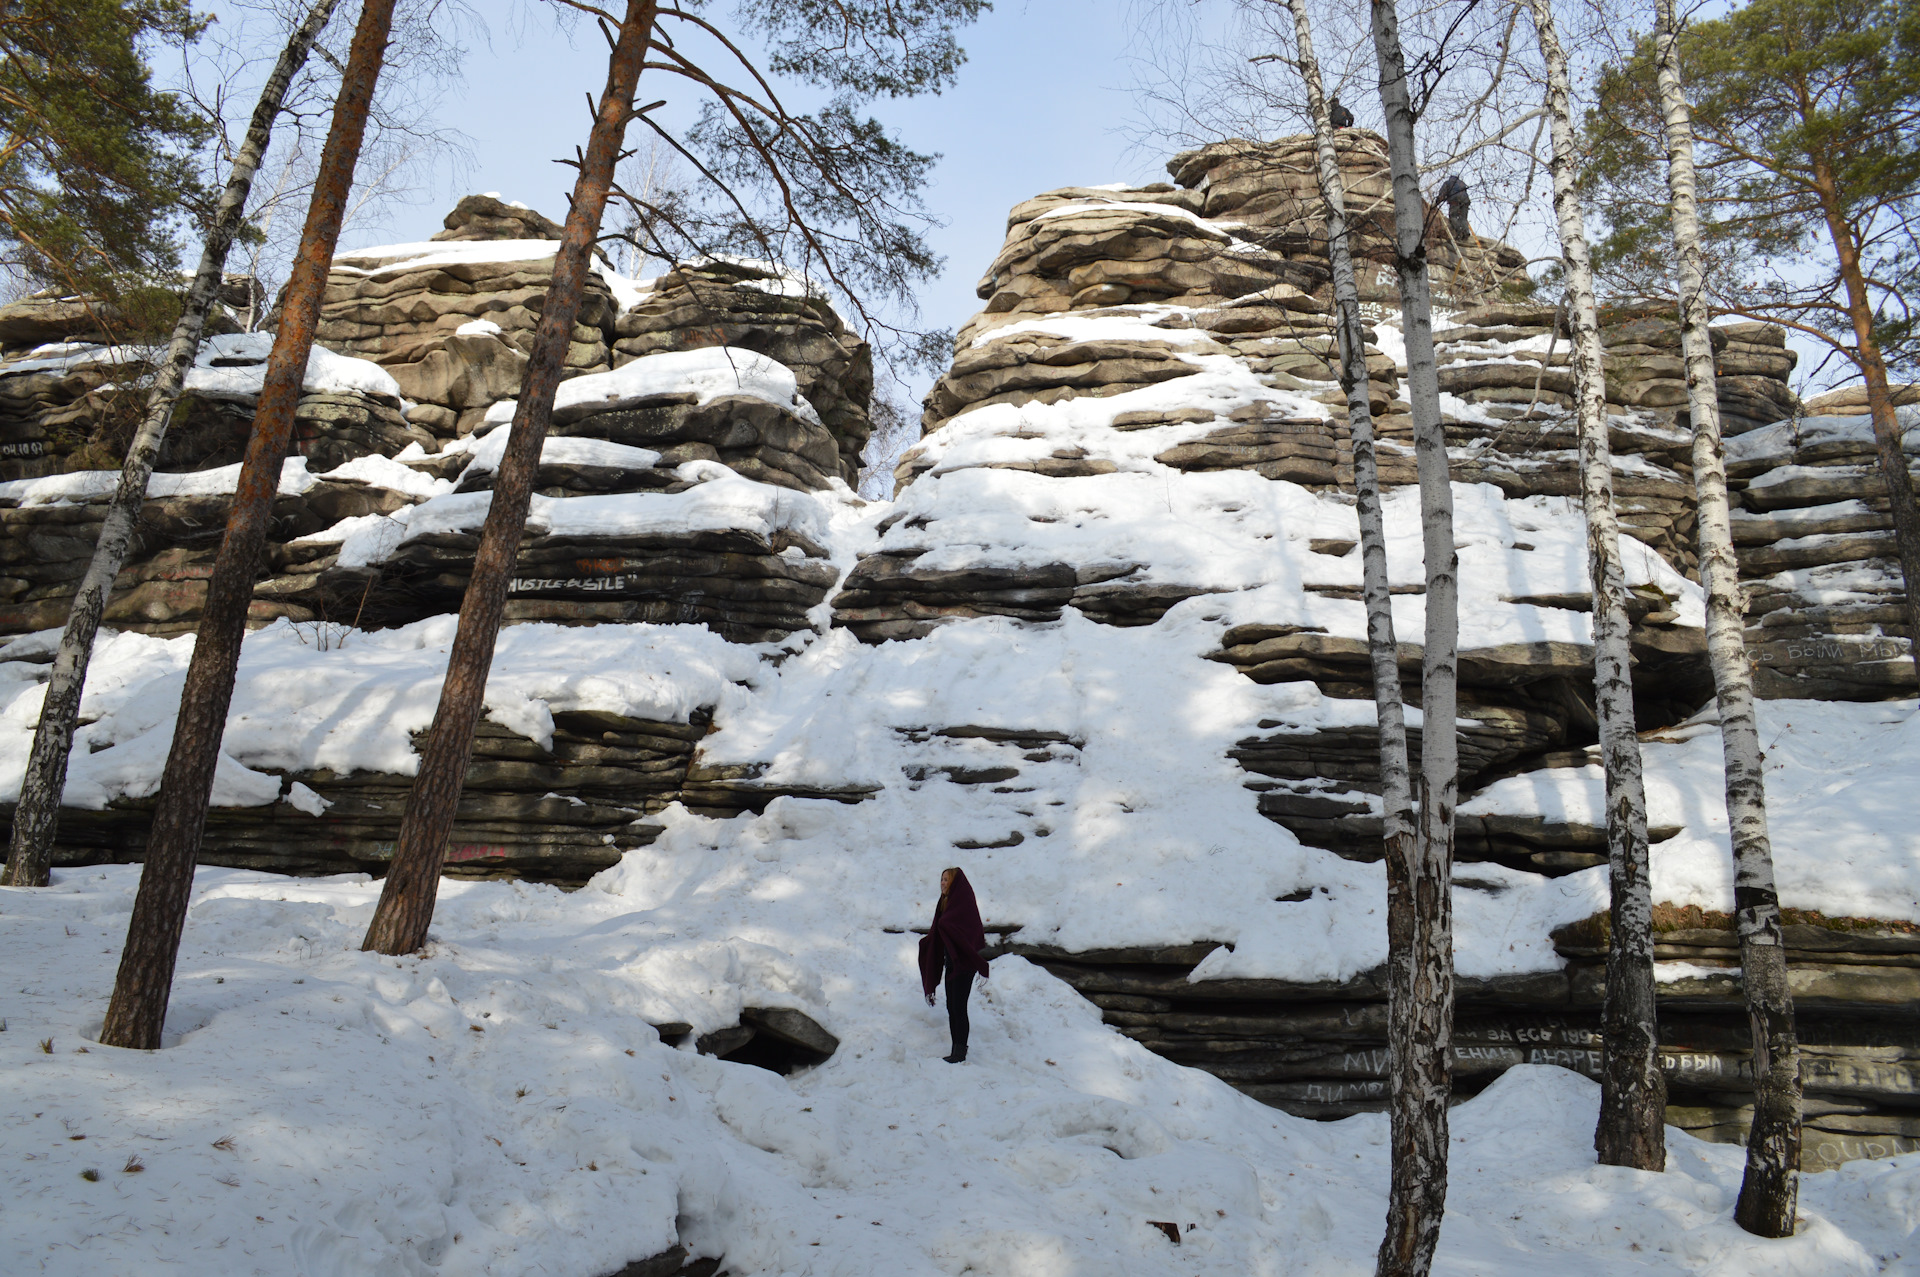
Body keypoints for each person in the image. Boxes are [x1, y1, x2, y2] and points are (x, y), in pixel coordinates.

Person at [918, 867, 991, 1063]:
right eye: (941, 879)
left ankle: (960, 1053)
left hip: (964, 963)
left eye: (946, 880)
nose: (942, 883)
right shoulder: (944, 902)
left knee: (959, 1006)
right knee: (951, 1007)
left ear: (954, 882)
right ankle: (955, 1049)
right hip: (951, 962)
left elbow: (969, 931)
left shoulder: (963, 902)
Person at [1438, 173, 1471, 241]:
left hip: (1455, 201)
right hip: (1465, 201)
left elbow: (1442, 194)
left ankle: (1460, 232)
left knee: (1453, 216)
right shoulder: (1462, 183)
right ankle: (1466, 232)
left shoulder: (1448, 183)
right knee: (1463, 218)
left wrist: (1437, 202)